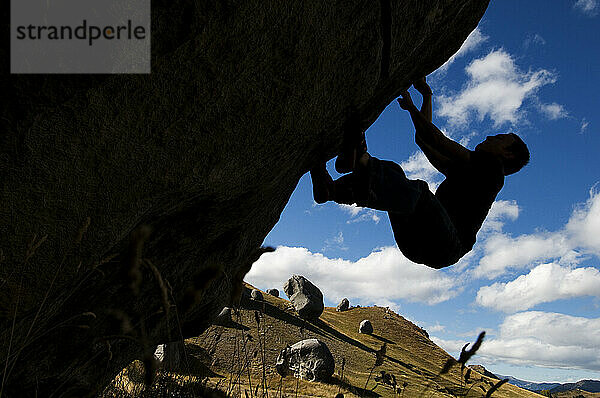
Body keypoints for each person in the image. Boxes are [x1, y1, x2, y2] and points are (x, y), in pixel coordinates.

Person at [310, 77, 529, 268]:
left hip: (446, 243)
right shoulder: (469, 173)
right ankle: (333, 190)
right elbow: (424, 140)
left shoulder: (493, 169)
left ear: (508, 155)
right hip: (418, 243)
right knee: (395, 176)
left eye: (499, 139)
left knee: (419, 192)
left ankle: (361, 160)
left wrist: (413, 108)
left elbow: (434, 138)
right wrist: (427, 96)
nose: (490, 137)